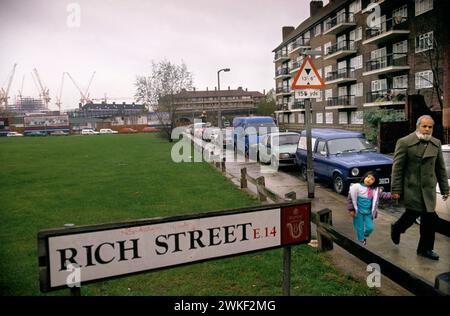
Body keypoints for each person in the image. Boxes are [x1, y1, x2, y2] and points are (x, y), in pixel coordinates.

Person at [390, 115, 449, 260]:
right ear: (418, 126)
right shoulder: (404, 142)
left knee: (429, 220)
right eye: (424, 126)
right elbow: (397, 168)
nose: (427, 129)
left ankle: (425, 249)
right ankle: (397, 228)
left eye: (430, 127)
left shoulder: (436, 143)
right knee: (412, 214)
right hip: (412, 188)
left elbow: (441, 169)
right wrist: (396, 189)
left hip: (428, 189)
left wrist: (445, 189)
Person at [347, 171, 392, 245]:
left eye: (372, 179)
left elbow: (382, 195)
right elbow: (350, 199)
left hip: (368, 213)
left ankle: (364, 235)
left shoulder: (374, 190)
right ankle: (361, 241)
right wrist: (351, 210)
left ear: (374, 182)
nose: (369, 179)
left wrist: (391, 195)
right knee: (359, 227)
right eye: (368, 177)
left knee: (370, 228)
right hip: (358, 212)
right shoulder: (356, 187)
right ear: (364, 177)